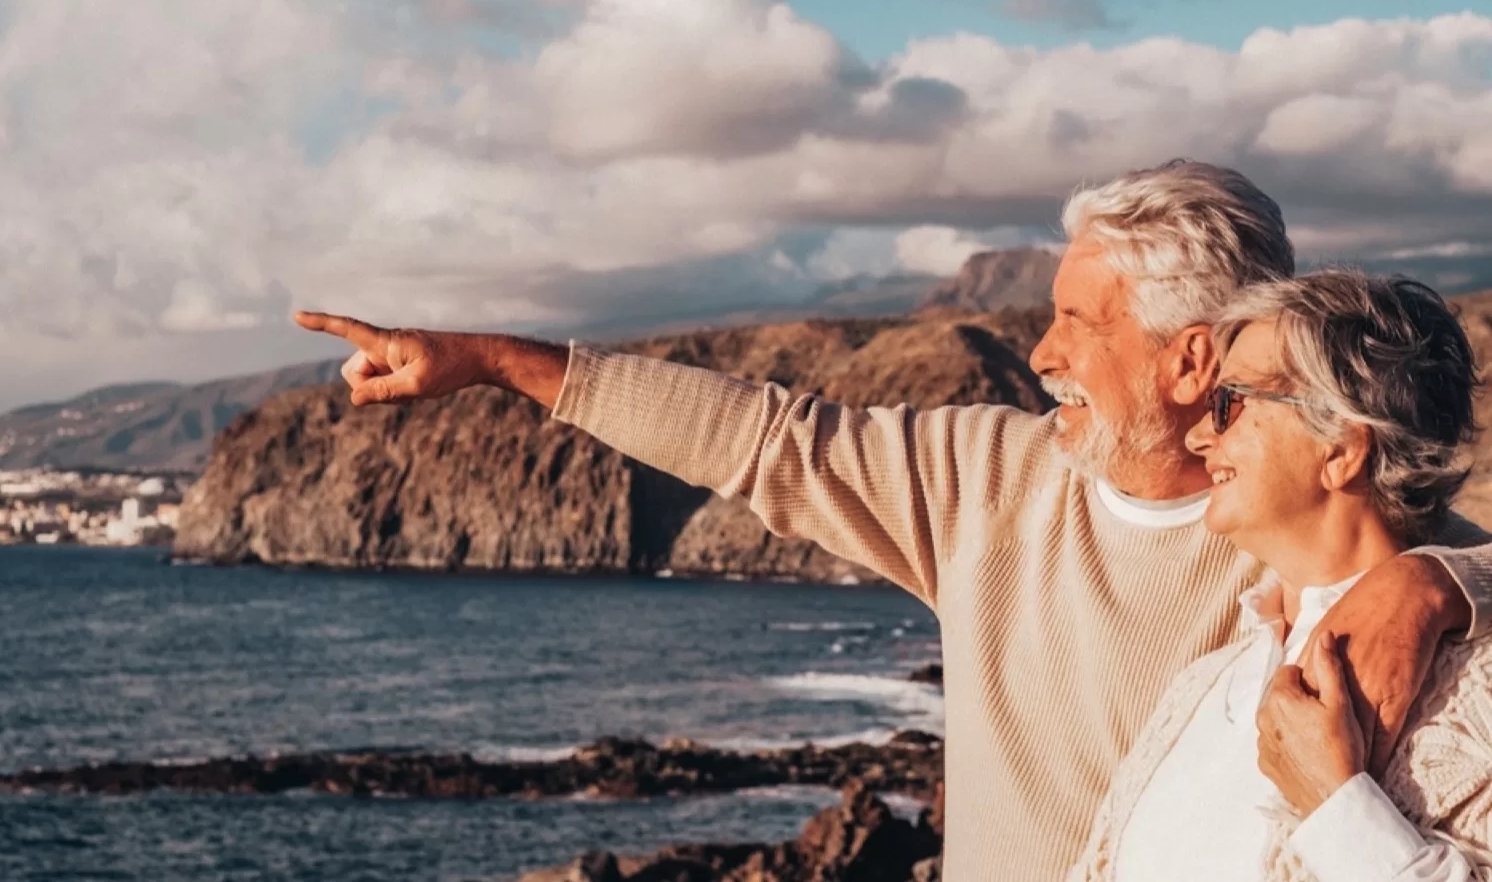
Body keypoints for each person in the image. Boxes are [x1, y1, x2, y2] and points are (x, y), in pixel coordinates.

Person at [295, 159, 1492, 882]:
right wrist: (500, 362)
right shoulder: (987, 478)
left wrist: (1444, 579)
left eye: (1079, 321)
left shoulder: (1321, 564)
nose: (1042, 352)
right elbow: (761, 439)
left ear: (1190, 359)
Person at [1069, 270, 1492, 881]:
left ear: (1342, 449)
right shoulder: (1199, 690)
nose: (1197, 435)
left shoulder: (1476, 698)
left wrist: (1338, 809)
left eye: (1228, 403)